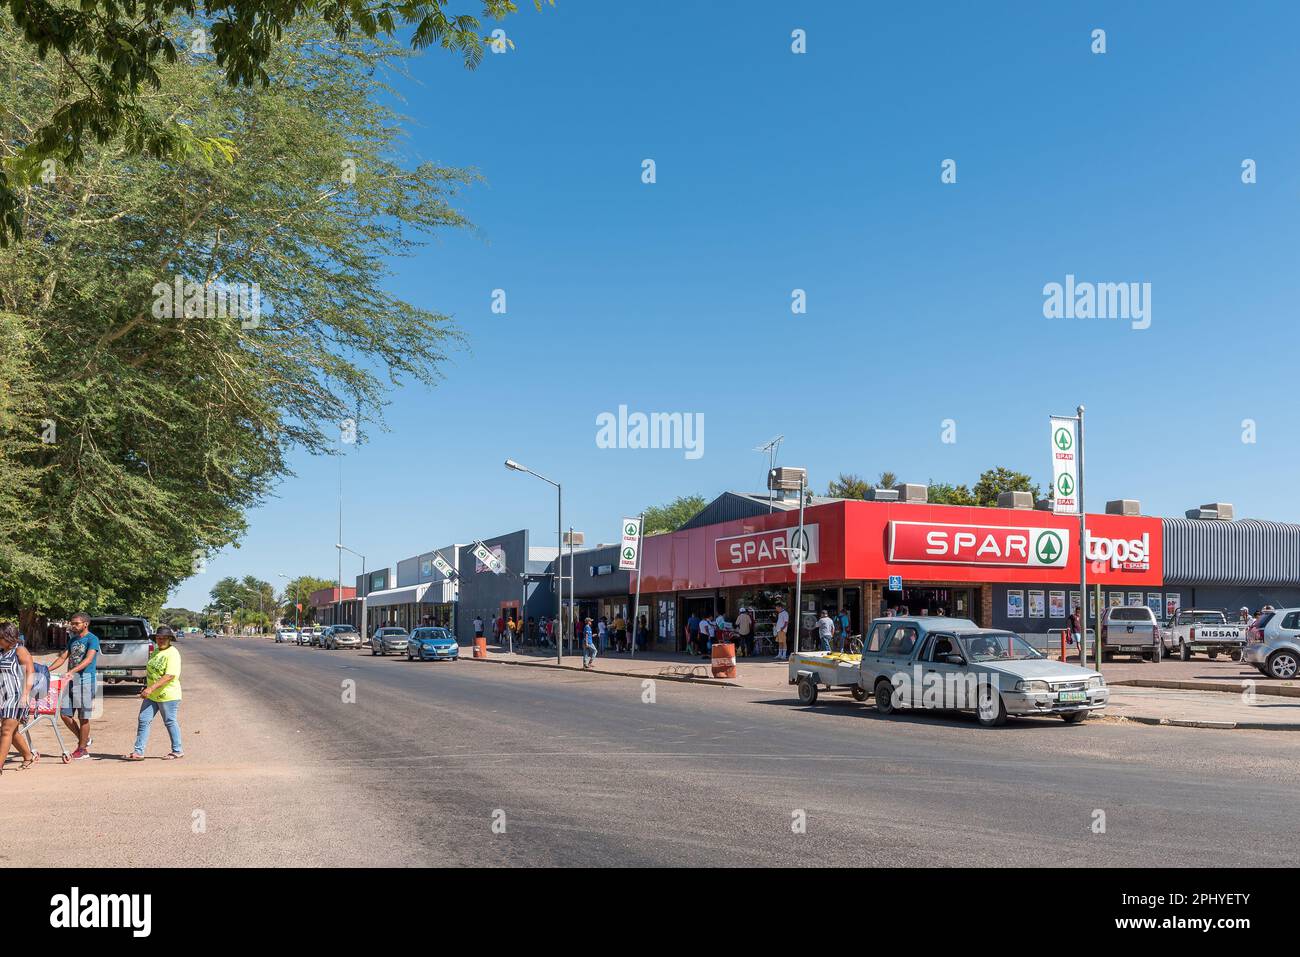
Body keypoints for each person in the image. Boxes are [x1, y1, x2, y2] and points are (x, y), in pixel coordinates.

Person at [46, 612, 100, 760]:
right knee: (65, 714)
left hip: (86, 681)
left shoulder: (92, 639)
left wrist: (72, 671)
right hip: (71, 681)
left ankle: (82, 749)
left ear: (85, 624)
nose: (73, 626)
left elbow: (89, 660)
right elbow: (63, 657)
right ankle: (85, 739)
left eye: (76, 623)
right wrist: (47, 670)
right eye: (72, 623)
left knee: (84, 717)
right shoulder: (73, 640)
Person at [125, 625, 183, 760]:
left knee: (169, 721)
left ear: (170, 639)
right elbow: (152, 671)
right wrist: (147, 687)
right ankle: (138, 752)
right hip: (152, 695)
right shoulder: (156, 651)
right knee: (143, 720)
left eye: (164, 638)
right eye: (158, 637)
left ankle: (177, 750)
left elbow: (169, 675)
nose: (161, 640)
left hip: (168, 694)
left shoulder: (173, 653)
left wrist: (150, 688)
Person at [0, 623, 37, 773]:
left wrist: (26, 694)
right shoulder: (2, 651)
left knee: (6, 731)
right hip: (3, 695)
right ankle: (28, 756)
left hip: (16, 696)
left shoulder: (19, 650)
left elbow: (30, 672)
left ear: (8, 637)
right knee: (12, 732)